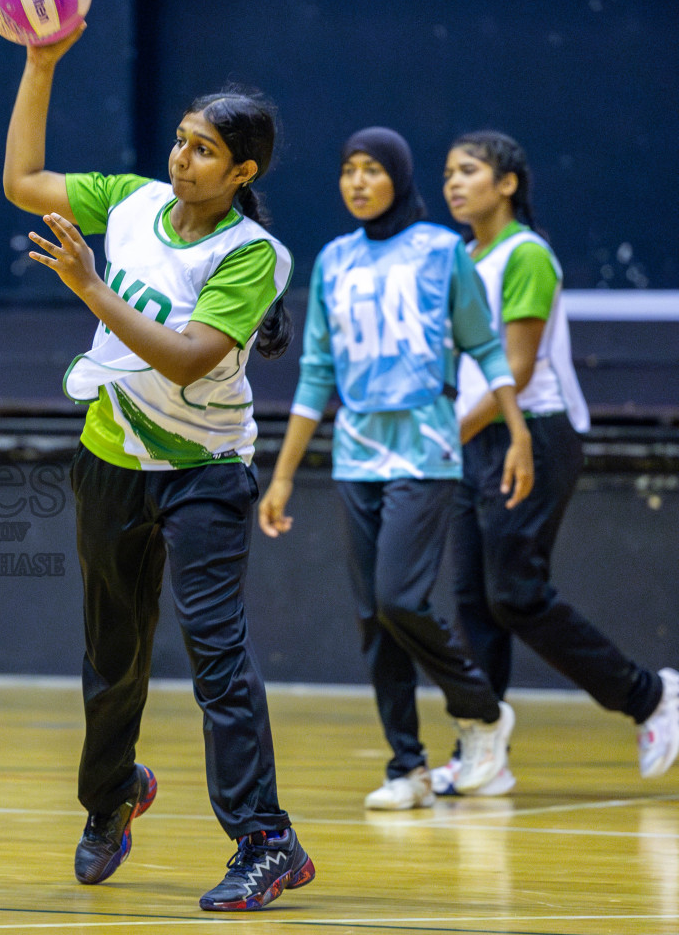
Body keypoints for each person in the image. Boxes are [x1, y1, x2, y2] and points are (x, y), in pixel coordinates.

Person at [3, 24, 313, 912]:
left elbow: (185, 358)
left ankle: (266, 840)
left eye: (205, 150)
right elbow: (24, 182)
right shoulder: (136, 202)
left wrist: (93, 290)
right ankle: (111, 800)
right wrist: (40, 63)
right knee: (112, 656)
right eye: (181, 140)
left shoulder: (252, 255)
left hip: (204, 472)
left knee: (218, 657)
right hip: (110, 456)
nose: (182, 159)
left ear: (242, 173)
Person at [258, 127, 534, 812]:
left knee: (398, 599)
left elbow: (488, 350)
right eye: (347, 169)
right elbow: (317, 373)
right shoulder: (332, 261)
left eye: (371, 170)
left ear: (398, 178)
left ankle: (483, 710)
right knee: (371, 618)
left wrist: (519, 431)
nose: (356, 182)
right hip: (356, 454)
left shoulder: (442, 251)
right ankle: (405, 765)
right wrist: (285, 474)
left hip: (426, 451)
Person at [430, 131, 678, 795]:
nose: (455, 182)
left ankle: (652, 697)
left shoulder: (526, 255)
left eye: (470, 170)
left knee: (515, 594)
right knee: (473, 603)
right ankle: (481, 748)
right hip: (471, 439)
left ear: (507, 183)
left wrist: (444, 432)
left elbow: (517, 366)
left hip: (531, 435)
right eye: (449, 172)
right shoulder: (459, 256)